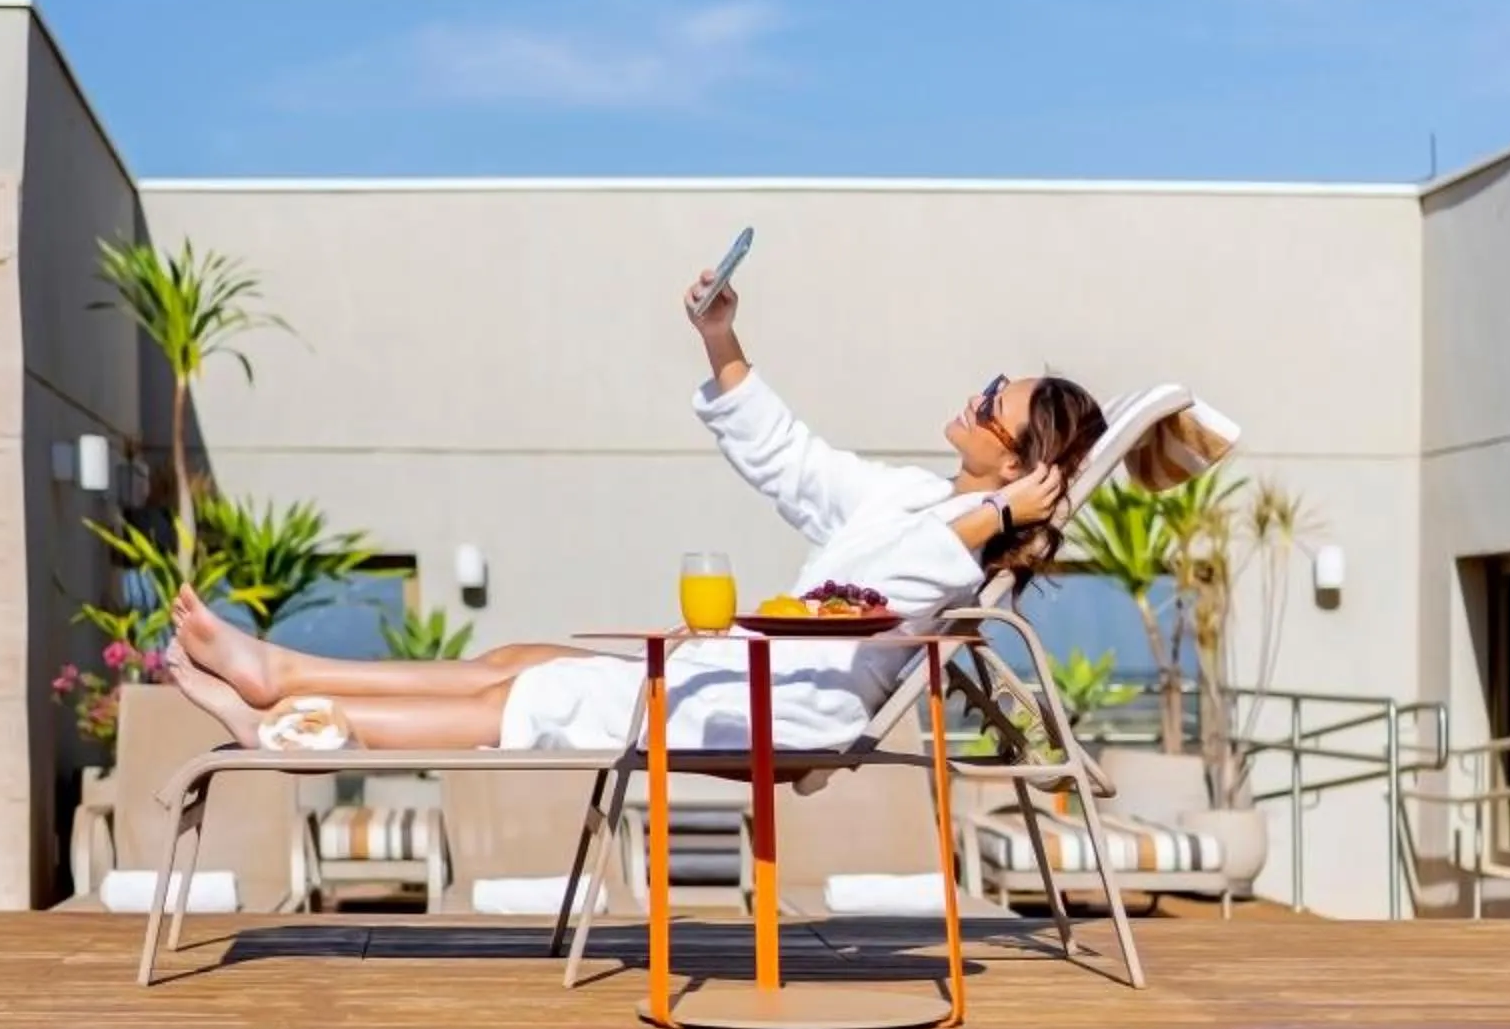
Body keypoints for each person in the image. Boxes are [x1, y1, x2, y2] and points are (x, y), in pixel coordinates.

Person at [163, 268, 1105, 757]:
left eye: (994, 407)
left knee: (522, 700)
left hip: (779, 714)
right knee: (515, 662)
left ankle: (288, 723)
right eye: (989, 386)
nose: (976, 399)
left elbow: (881, 590)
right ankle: (281, 672)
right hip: (739, 680)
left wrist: (997, 520)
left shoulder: (967, 553)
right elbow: (793, 460)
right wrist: (720, 337)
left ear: (1021, 465)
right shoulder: (913, 499)